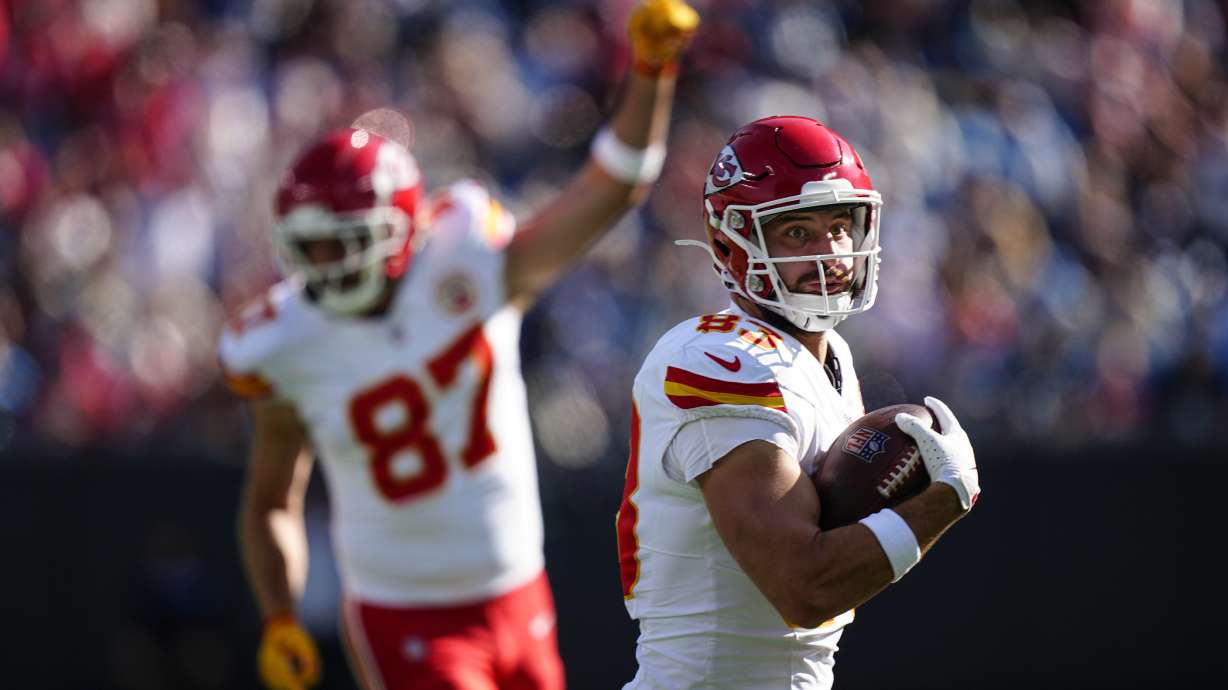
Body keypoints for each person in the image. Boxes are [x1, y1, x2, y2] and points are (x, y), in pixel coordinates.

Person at [218, 3, 700, 689]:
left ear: (402, 230)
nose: (324, 265)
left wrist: (650, 73)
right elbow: (272, 499)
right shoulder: (285, 339)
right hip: (405, 614)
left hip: (520, 587)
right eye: (310, 248)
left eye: (341, 244)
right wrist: (278, 614)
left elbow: (612, 189)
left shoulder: (468, 258)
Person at [615, 115, 981, 688]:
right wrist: (942, 502)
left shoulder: (828, 355)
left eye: (840, 226)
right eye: (796, 233)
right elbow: (803, 587)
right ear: (728, 243)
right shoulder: (716, 359)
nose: (831, 253)